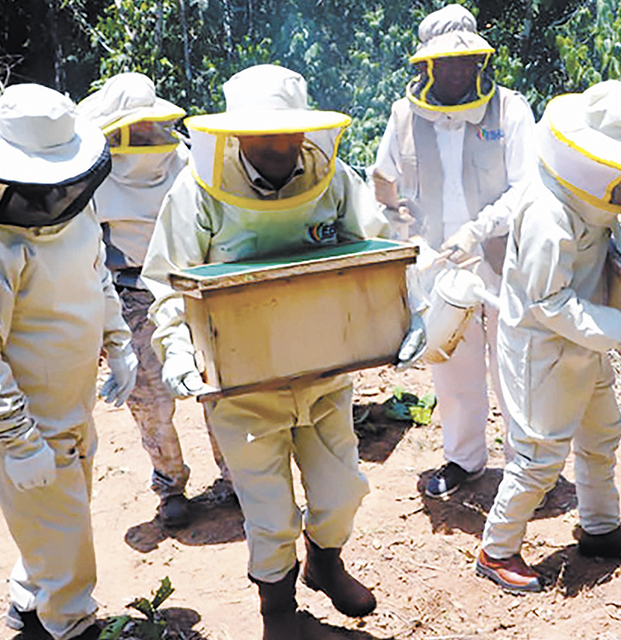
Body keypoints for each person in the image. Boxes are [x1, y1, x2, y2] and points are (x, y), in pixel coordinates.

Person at [142, 64, 420, 639]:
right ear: (236, 136)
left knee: (342, 491)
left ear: (305, 131)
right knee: (268, 513)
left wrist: (409, 315)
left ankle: (325, 563)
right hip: (242, 385)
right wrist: (175, 352)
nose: (278, 147)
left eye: (287, 134)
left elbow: (375, 255)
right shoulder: (195, 193)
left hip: (323, 373)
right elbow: (169, 285)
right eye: (263, 136)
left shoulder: (335, 179)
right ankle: (279, 612)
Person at [0, 83, 138, 640]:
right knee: (66, 539)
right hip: (16, 415)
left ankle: (29, 606)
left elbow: (95, 275)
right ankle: (70, 624)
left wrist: (119, 342)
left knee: (55, 520)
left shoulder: (71, 203)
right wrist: (19, 443)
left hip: (70, 402)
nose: (53, 197)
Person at [476, 80, 621, 593]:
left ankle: (600, 528)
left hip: (586, 341)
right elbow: (550, 302)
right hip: (545, 349)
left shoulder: (581, 197)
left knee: (602, 435)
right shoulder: (548, 211)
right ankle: (496, 551)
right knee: (539, 457)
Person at [369, 3, 536, 498]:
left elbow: (527, 186)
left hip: (504, 256)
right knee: (452, 364)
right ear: (426, 66)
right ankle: (464, 459)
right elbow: (383, 186)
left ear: (479, 63)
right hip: (439, 261)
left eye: (467, 62)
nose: (459, 70)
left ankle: (527, 465)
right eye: (447, 63)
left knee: (515, 362)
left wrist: (480, 230)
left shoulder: (510, 109)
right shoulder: (403, 116)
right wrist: (409, 235)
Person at [78, 72, 233, 529]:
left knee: (216, 386)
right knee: (150, 400)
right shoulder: (93, 176)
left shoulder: (184, 158)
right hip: (131, 294)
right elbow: (88, 249)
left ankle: (235, 477)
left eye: (151, 126)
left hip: (191, 287)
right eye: (136, 128)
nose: (147, 136)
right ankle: (170, 486)